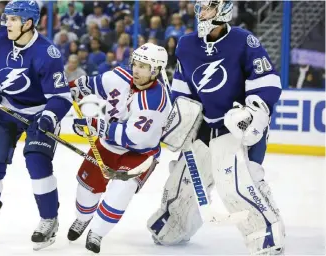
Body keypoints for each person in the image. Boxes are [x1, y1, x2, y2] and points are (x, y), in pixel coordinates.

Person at [147, 1, 285, 255]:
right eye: (200, 7)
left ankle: (265, 231)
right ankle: (176, 223)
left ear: (222, 10)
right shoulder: (187, 44)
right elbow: (183, 87)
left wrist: (253, 111)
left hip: (237, 126)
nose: (202, 13)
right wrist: (181, 118)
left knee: (237, 184)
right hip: (204, 126)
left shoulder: (244, 41)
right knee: (182, 181)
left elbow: (267, 82)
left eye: (209, 7)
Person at [0, 0, 72, 251]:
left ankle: (49, 219)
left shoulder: (47, 53)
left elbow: (61, 97)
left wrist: (49, 118)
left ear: (28, 23)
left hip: (39, 114)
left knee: (37, 162)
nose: (6, 23)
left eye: (12, 19)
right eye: (6, 18)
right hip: (7, 111)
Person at [67, 43, 170, 253]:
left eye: (144, 66)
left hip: (139, 154)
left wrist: (95, 125)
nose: (136, 70)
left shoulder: (155, 102)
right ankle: (83, 219)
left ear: (156, 70)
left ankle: (97, 232)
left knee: (120, 191)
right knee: (86, 190)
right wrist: (72, 89)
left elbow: (132, 137)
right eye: (136, 64)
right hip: (107, 145)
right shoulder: (120, 76)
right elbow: (91, 84)